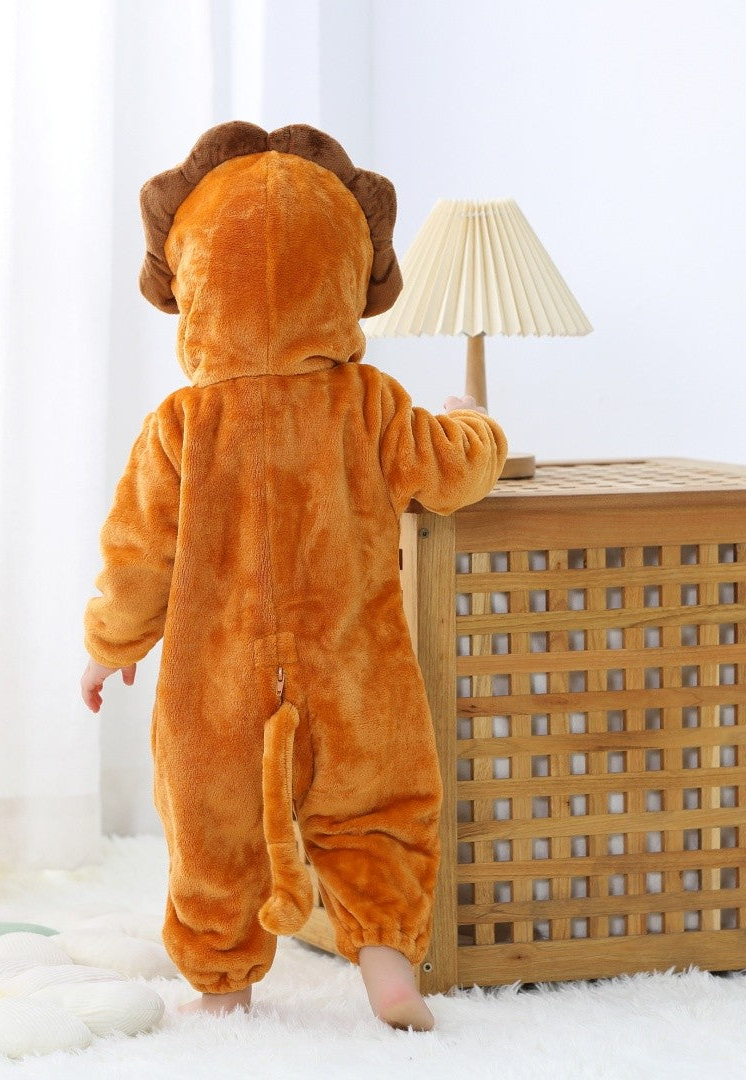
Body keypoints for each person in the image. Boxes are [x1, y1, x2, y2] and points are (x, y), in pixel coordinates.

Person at [80, 122, 506, 1031]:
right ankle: (389, 968)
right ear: (347, 280)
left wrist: (109, 646)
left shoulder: (181, 424)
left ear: (194, 285)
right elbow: (451, 469)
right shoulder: (370, 403)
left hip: (214, 678)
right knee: (377, 811)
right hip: (354, 665)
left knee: (211, 826)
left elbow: (138, 553)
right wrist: (476, 420)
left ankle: (222, 984)